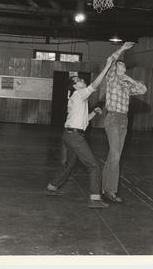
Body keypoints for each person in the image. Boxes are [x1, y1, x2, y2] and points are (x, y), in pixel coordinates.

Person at [45, 55, 114, 209]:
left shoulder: (77, 98)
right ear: (75, 86)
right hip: (75, 137)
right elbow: (96, 84)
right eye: (80, 81)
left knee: (70, 164)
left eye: (82, 79)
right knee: (94, 166)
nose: (83, 81)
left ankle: (52, 187)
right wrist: (108, 65)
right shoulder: (79, 94)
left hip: (70, 134)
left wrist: (94, 113)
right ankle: (95, 199)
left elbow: (83, 122)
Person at [102, 42, 147, 203]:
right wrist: (121, 50)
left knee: (114, 156)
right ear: (115, 69)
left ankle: (105, 187)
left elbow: (143, 90)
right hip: (113, 118)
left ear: (125, 70)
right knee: (115, 155)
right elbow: (110, 59)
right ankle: (111, 191)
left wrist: (129, 79)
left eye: (122, 65)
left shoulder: (127, 84)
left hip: (123, 120)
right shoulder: (111, 78)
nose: (120, 66)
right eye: (118, 65)